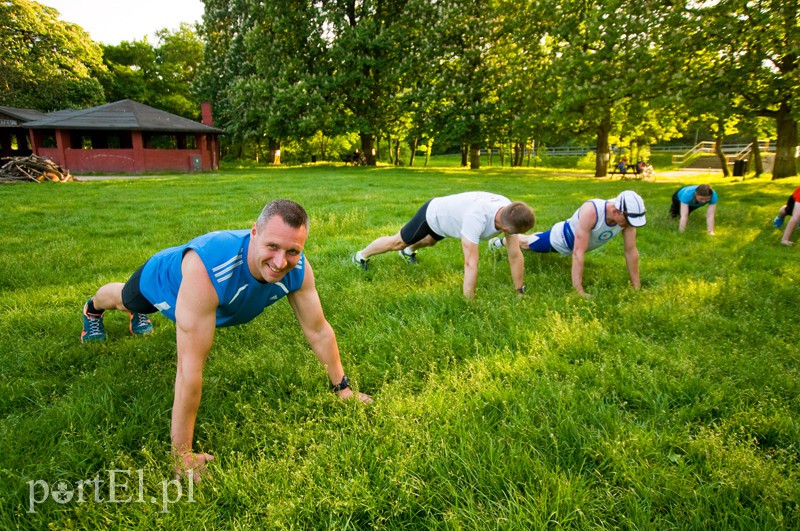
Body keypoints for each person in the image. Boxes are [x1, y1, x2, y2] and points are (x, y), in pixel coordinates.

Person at [81, 200, 372, 480]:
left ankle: (134, 316)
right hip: (163, 281)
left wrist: (342, 388)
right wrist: (181, 455)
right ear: (254, 233)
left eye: (293, 250)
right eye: (272, 246)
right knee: (126, 302)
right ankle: (92, 309)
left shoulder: (297, 269)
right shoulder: (207, 267)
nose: (281, 261)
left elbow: (318, 330)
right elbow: (188, 368)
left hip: (201, 300)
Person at [352, 191, 535, 299]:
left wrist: (519, 291)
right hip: (433, 214)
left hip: (446, 221)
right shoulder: (476, 218)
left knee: (429, 241)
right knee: (397, 242)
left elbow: (514, 254)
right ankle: (361, 256)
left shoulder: (510, 211)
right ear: (504, 227)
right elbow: (470, 264)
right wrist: (468, 303)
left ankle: (408, 252)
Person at [489, 190, 646, 298]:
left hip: (573, 242)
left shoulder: (626, 218)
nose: (629, 225)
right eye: (627, 220)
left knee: (533, 240)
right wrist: (579, 290)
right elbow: (578, 251)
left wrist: (636, 286)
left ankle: (510, 240)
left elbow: (631, 251)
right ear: (616, 211)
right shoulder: (592, 211)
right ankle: (501, 242)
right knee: (530, 244)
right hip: (561, 239)